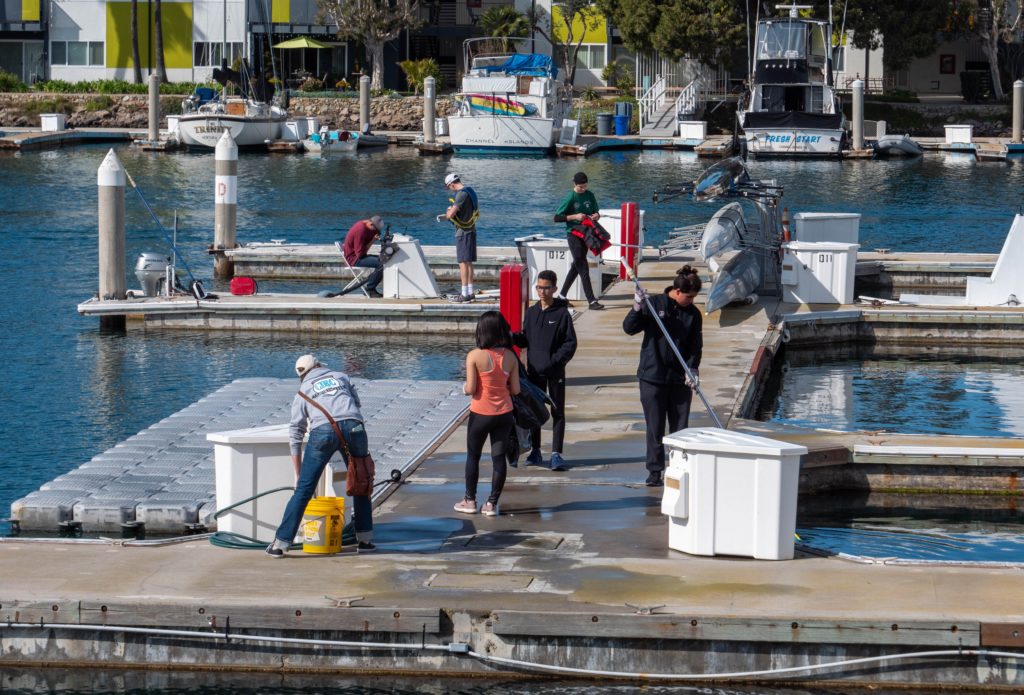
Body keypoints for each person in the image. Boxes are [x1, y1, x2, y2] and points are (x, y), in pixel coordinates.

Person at [265, 355, 375, 557]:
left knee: (304, 490)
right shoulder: (341, 376)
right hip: (354, 427)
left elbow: (296, 432)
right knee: (361, 481)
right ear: (318, 365)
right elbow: (356, 404)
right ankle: (365, 541)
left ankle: (279, 544)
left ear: (301, 375)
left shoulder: (302, 393)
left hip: (323, 433)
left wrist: (298, 473)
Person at [621, 266, 703, 488]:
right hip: (652, 376)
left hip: (679, 379)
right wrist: (637, 306)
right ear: (677, 291)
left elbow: (696, 345)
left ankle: (678, 469)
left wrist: (693, 369)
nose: (691, 300)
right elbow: (629, 328)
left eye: (694, 297)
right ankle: (655, 471)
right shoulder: (655, 305)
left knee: (680, 428)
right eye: (689, 296)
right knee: (655, 427)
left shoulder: (693, 314)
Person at [455, 311, 521, 517]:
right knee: (498, 458)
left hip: (480, 414)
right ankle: (491, 504)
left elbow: (472, 388)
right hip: (504, 413)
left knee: (473, 456)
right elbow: (516, 390)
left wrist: (464, 387)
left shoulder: (475, 356)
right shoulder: (511, 357)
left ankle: (469, 500)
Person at [512, 269, 577, 471]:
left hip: (555, 372)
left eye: (546, 288)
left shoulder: (561, 313)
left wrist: (555, 362)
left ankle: (556, 454)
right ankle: (536, 450)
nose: (542, 291)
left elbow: (570, 343)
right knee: (534, 411)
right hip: (533, 372)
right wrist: (512, 337)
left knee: (558, 412)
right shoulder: (531, 313)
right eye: (539, 287)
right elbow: (525, 339)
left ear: (554, 288)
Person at [554, 171, 604, 311]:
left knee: (576, 265)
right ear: (574, 184)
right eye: (580, 187)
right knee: (583, 266)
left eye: (585, 186)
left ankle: (562, 297)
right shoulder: (570, 197)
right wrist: (574, 216)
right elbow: (557, 218)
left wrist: (596, 216)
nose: (583, 189)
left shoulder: (590, 195)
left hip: (587, 233)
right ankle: (591, 300)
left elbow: (597, 212)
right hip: (573, 234)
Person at [442, 173, 479, 303]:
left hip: (463, 232)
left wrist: (448, 211)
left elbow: (450, 215)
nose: (450, 190)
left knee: (463, 263)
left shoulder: (460, 194)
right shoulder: (470, 191)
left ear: (452, 184)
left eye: (449, 187)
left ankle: (464, 294)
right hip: (471, 230)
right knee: (468, 262)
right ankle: (470, 292)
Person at [341, 215, 385, 297]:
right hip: (354, 259)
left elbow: (374, 232)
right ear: (371, 224)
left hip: (358, 256)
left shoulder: (366, 224)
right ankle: (370, 289)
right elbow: (360, 254)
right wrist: (372, 241)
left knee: (384, 260)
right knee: (382, 264)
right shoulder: (360, 230)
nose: (376, 232)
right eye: (375, 230)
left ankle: (371, 286)